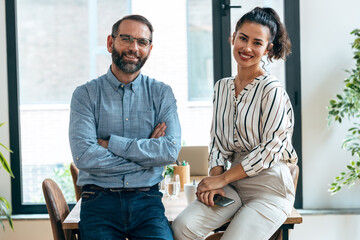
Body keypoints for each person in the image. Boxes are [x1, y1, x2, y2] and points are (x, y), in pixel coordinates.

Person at [172, 7, 297, 240]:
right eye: (243, 38)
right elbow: (218, 141)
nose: (247, 48)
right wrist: (214, 182)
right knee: (182, 227)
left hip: (270, 188)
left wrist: (222, 179)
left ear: (268, 48)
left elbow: (269, 151)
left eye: (257, 42)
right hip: (234, 184)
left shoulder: (272, 89)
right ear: (233, 37)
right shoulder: (221, 87)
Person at [69, 14, 181, 240]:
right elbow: (84, 157)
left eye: (142, 42)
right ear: (111, 43)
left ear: (149, 49)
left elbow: (169, 151)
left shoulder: (161, 94)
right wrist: (147, 154)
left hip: (147, 203)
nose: (134, 47)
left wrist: (111, 144)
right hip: (98, 202)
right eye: (126, 39)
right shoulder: (85, 95)